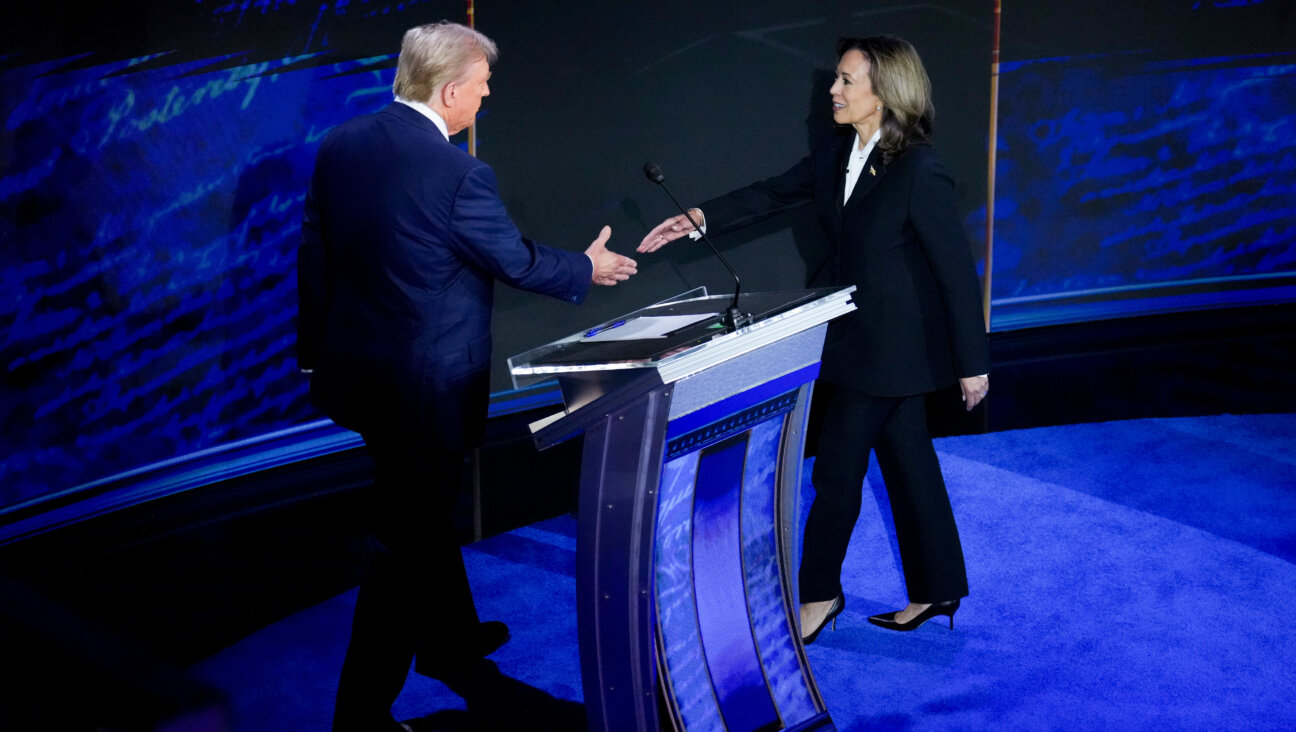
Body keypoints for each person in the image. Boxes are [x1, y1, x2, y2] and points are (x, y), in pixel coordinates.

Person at [297, 21, 637, 731]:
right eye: (482, 88)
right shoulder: (458, 174)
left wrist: (312, 356)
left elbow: (315, 254)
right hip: (427, 393)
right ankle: (359, 715)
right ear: (451, 91)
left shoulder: (343, 144)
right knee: (404, 546)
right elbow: (512, 259)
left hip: (364, 381)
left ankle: (449, 642)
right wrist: (588, 267)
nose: (485, 98)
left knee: (418, 512)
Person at [638, 35, 989, 640]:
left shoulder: (920, 171)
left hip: (889, 352)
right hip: (853, 338)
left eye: (847, 81)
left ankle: (818, 595)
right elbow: (773, 193)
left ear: (882, 94)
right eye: (838, 79)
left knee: (836, 475)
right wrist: (699, 217)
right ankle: (938, 591)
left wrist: (972, 362)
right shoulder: (836, 155)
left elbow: (955, 271)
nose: (834, 89)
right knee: (909, 464)